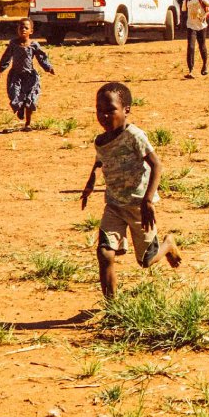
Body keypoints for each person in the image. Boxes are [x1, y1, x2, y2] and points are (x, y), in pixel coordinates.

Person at [81, 81, 181, 302]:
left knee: (146, 260)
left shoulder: (134, 136)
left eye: (110, 111)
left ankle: (168, 244)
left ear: (126, 110)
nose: (104, 116)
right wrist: (90, 183)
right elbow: (101, 161)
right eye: (99, 111)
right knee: (104, 253)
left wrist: (148, 201)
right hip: (114, 205)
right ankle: (112, 306)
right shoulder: (101, 140)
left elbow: (157, 165)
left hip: (138, 206)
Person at [0, 17, 55, 130]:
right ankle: (20, 107)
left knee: (30, 99)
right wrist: (1, 69)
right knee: (15, 95)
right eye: (21, 27)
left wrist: (48, 67)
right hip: (16, 76)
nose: (23, 29)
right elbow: (7, 56)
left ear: (31, 31)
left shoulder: (34, 45)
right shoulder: (13, 43)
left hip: (30, 77)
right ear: (17, 29)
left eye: (26, 28)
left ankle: (28, 123)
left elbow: (41, 57)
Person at [181, 0, 209, 78]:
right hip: (191, 26)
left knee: (202, 46)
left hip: (202, 26)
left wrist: (205, 14)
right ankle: (191, 70)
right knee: (191, 47)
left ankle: (205, 65)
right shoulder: (186, 1)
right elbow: (183, 13)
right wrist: (183, 26)